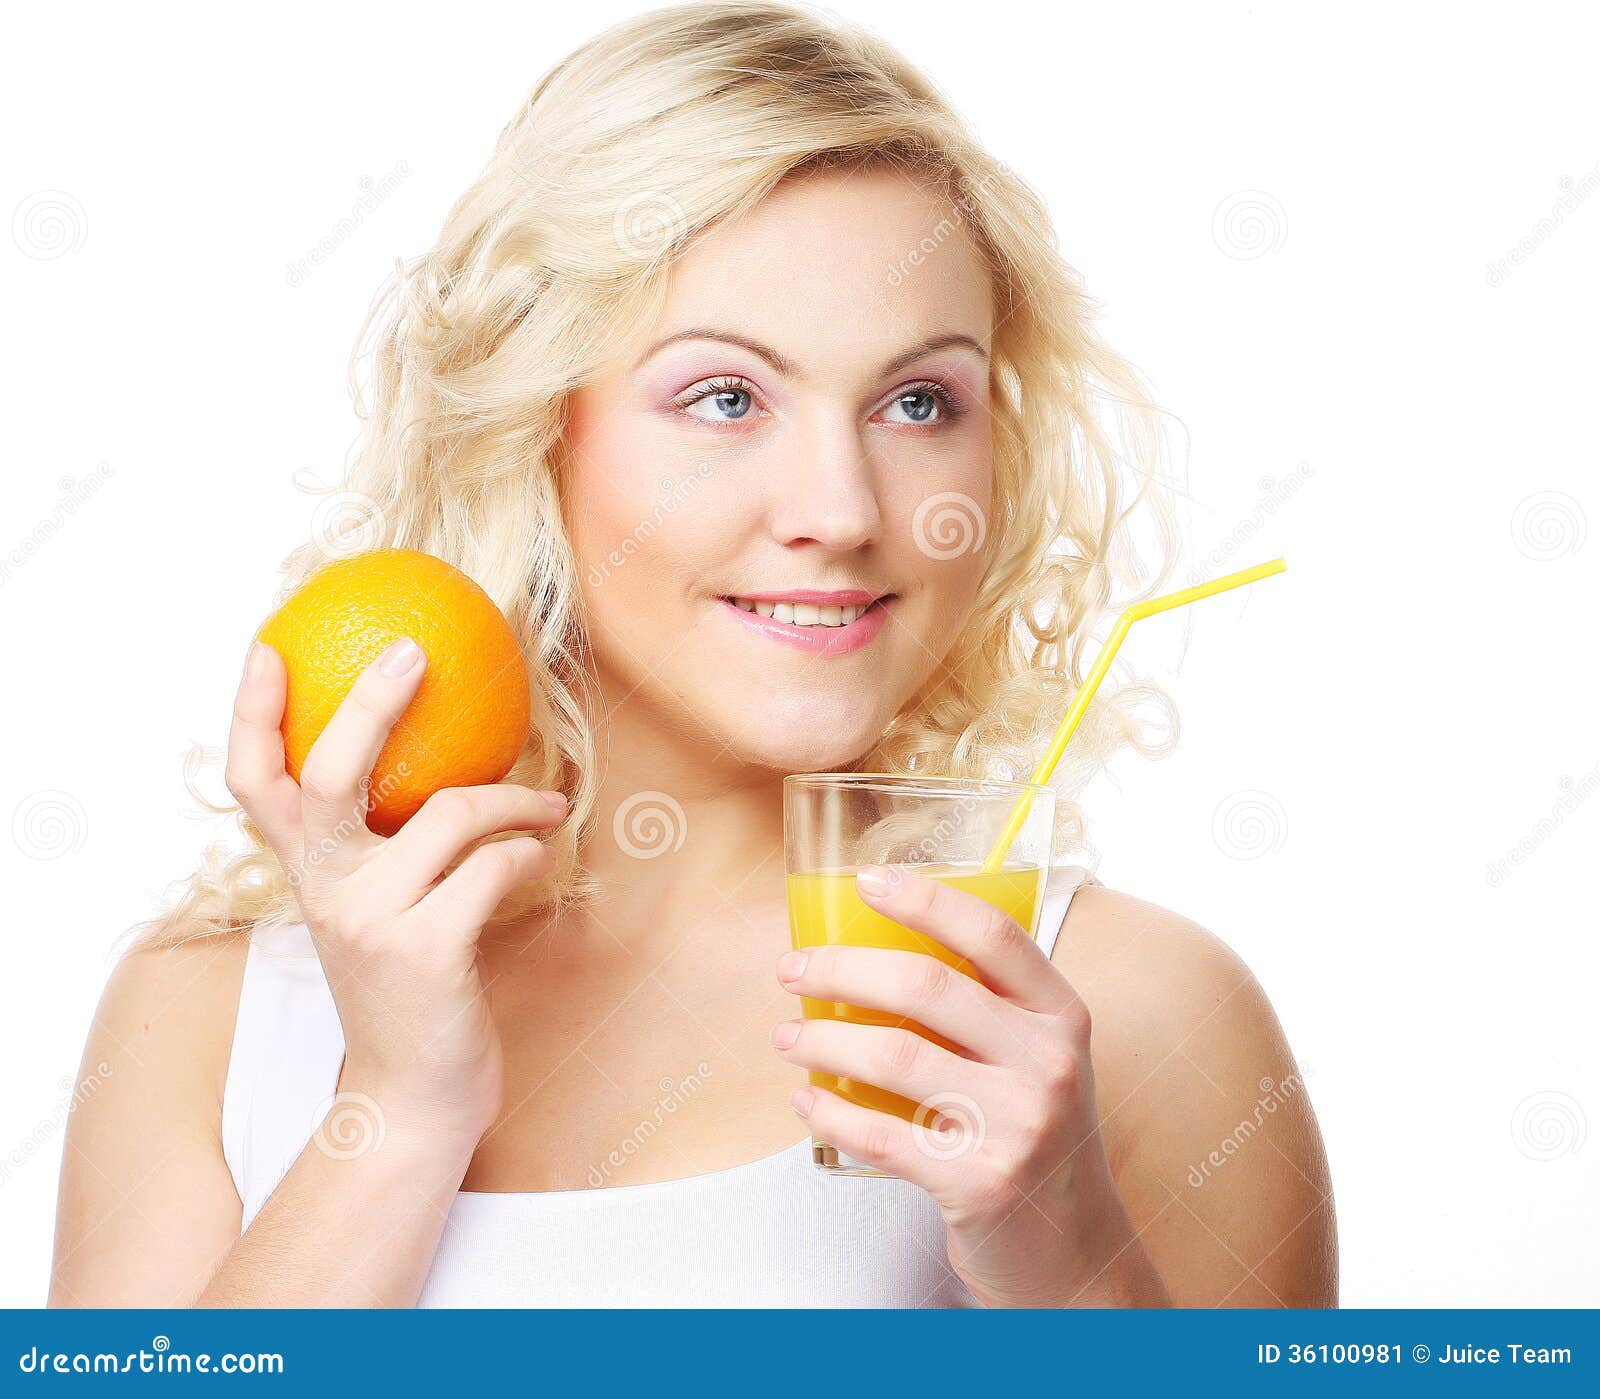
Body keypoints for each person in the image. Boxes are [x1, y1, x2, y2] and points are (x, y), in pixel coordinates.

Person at [49, 0, 1335, 1308]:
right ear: (538, 428)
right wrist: (394, 1109)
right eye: (726, 397)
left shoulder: (1137, 1018)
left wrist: (1061, 1246)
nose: (840, 509)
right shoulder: (209, 1017)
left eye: (916, 402)